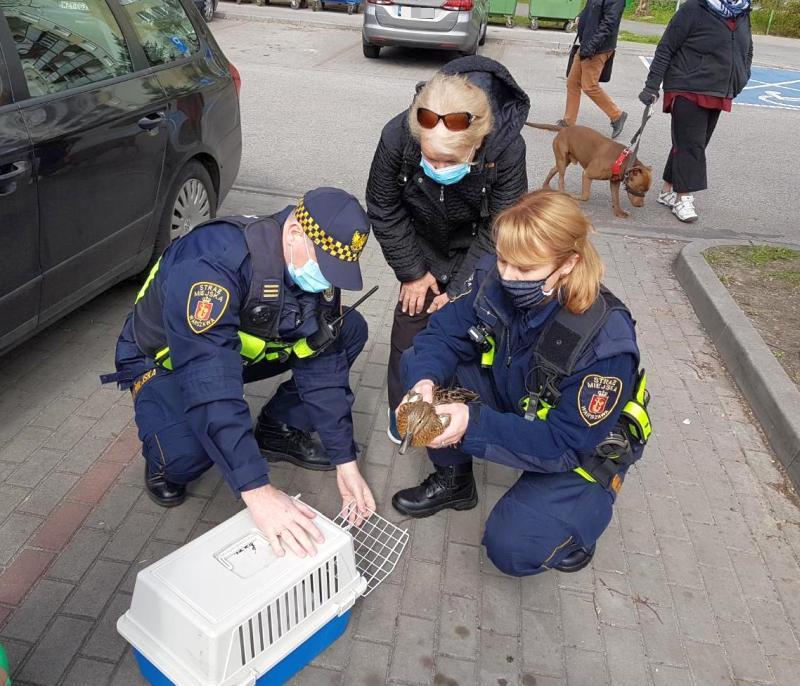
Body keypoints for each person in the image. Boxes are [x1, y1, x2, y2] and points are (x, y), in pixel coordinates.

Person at [102, 188, 375, 558]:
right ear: (294, 234)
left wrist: (346, 461)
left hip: (235, 351)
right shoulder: (212, 265)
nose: (328, 282)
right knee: (188, 455)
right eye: (325, 267)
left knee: (346, 329)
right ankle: (164, 460)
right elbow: (209, 381)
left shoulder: (311, 266)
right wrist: (258, 491)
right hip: (166, 360)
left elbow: (321, 363)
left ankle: (277, 429)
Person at [392, 190, 651, 576]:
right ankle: (454, 481)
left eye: (524, 269)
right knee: (418, 363)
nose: (508, 277)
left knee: (511, 547)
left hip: (580, 443)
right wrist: (423, 385)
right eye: (503, 260)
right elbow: (442, 334)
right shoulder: (495, 279)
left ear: (568, 263)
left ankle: (574, 523)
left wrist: (471, 423)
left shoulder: (603, 343)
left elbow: (565, 445)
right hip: (521, 396)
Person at [365, 56, 530, 443]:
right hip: (419, 242)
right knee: (411, 322)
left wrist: (458, 288)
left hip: (478, 244)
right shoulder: (398, 135)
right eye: (429, 157)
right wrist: (412, 271)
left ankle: (461, 415)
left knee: (468, 325)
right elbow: (382, 204)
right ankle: (403, 412)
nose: (438, 166)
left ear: (477, 142)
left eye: (450, 160)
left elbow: (501, 227)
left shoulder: (507, 149)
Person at [639, 0, 753, 223]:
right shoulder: (694, 8)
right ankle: (683, 197)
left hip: (718, 90)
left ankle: (667, 190)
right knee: (692, 144)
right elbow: (666, 47)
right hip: (687, 86)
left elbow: (747, 49)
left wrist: (742, 76)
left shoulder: (742, 12)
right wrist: (651, 86)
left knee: (689, 142)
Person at [558, 0, 627, 138]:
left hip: (597, 49)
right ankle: (568, 121)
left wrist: (591, 47)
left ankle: (617, 115)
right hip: (586, 44)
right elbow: (591, 8)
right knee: (572, 82)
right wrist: (580, 15)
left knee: (589, 86)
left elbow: (608, 24)